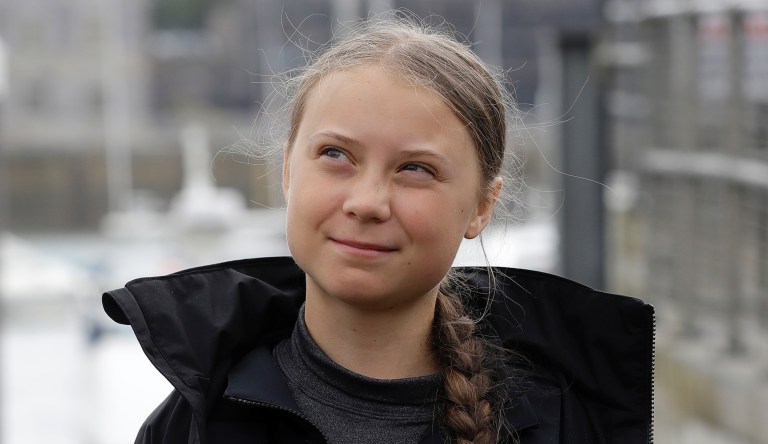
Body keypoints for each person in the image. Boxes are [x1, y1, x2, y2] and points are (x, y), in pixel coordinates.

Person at [102, 15, 654, 444]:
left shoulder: (562, 422)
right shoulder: (194, 426)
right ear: (288, 171)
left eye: (416, 169)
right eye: (336, 154)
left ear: (482, 207)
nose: (367, 202)